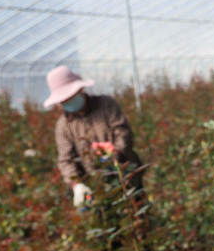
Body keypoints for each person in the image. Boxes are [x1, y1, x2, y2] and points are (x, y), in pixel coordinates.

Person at [44, 66, 144, 207]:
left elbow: (123, 131)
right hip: (98, 188)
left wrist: (115, 153)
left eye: (70, 96)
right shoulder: (63, 126)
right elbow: (66, 160)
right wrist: (76, 185)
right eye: (64, 100)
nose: (68, 101)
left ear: (80, 90)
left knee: (136, 212)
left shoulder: (106, 105)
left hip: (126, 176)